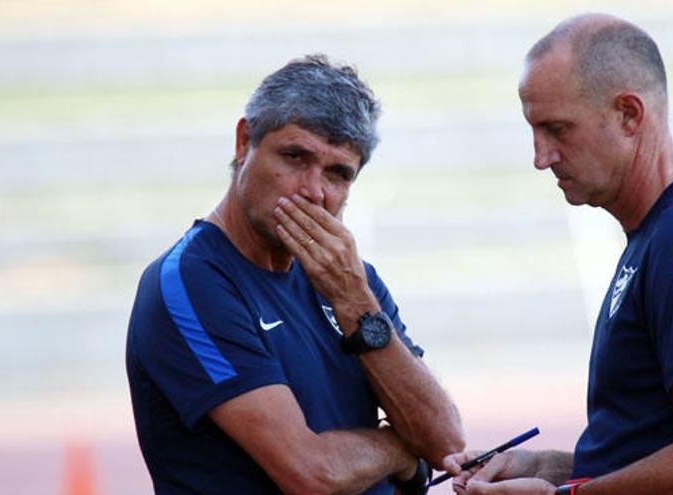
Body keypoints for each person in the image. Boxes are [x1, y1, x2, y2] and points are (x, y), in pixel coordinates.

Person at [442, 13, 673, 495]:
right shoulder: (667, 232)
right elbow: (652, 451)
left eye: (557, 129)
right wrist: (545, 468)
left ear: (630, 114)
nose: (540, 157)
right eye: (534, 130)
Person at [126, 54, 464, 495]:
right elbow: (311, 474)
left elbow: (445, 442)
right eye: (294, 156)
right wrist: (401, 448)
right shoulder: (191, 281)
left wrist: (356, 304)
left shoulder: (351, 281)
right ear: (244, 141)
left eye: (338, 174)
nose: (312, 191)